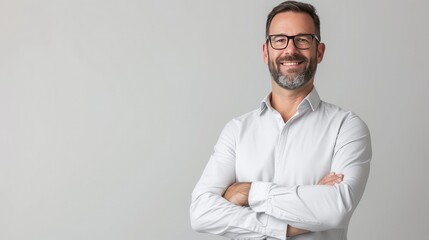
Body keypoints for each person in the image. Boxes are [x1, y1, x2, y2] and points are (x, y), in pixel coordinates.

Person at [190, 1, 371, 239]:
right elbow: (201, 213)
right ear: (266, 52)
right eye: (279, 39)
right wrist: (291, 223)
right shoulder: (237, 131)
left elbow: (336, 210)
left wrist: (248, 193)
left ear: (319, 51)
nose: (290, 49)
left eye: (303, 39)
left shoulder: (346, 127)